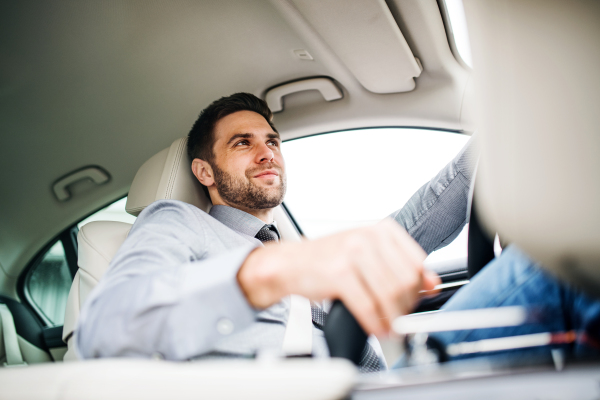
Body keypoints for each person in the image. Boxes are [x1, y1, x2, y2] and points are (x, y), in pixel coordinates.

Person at [75, 92, 440, 373]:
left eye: (272, 141)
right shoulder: (176, 220)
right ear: (205, 173)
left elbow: (415, 221)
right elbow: (104, 326)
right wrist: (269, 271)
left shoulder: (292, 246)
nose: (268, 154)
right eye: (243, 142)